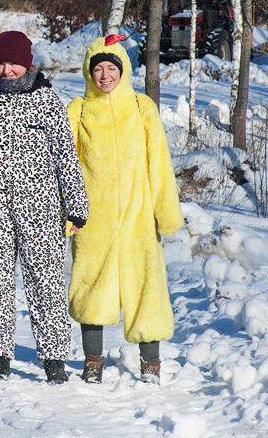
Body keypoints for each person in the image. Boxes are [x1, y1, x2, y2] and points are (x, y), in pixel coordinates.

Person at [0, 30, 89, 384]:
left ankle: (54, 357)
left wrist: (76, 204)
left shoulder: (46, 100)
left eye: (12, 62)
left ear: (26, 61)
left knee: (46, 283)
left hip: (40, 208)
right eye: (0, 62)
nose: (6, 69)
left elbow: (66, 156)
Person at [67, 34, 184, 383]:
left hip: (138, 216)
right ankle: (92, 362)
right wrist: (69, 213)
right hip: (94, 219)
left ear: (123, 70)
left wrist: (165, 211)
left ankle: (151, 362)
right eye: (98, 68)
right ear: (89, 72)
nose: (104, 75)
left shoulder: (141, 107)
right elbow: (67, 165)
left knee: (145, 285)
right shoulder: (79, 109)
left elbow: (158, 162)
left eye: (111, 68)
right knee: (92, 286)